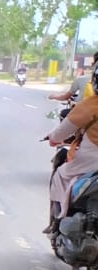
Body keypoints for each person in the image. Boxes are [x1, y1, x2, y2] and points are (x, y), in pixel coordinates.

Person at [45, 94, 98, 233]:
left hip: (90, 161)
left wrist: (53, 138)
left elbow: (60, 133)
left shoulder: (91, 105)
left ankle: (58, 220)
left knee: (60, 174)